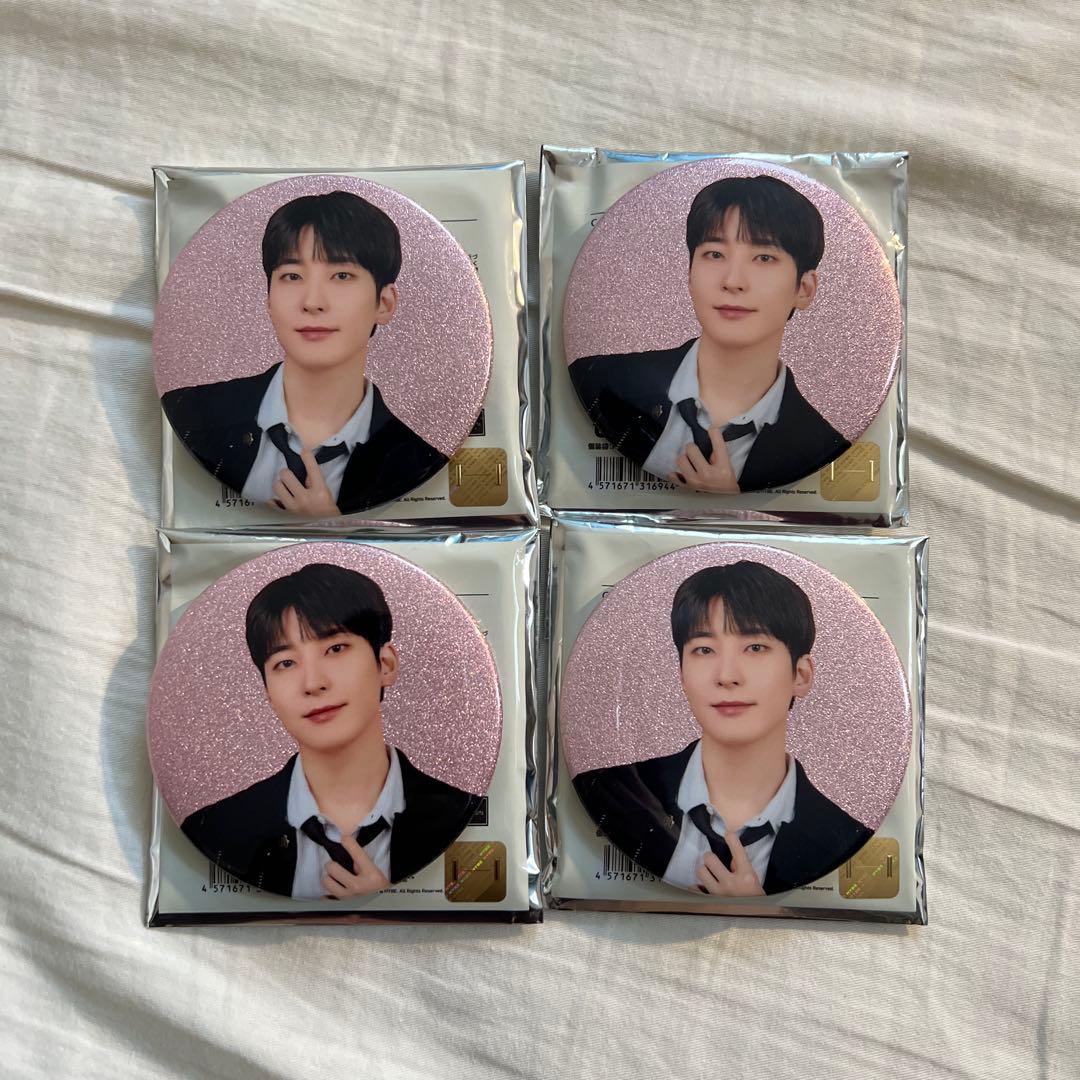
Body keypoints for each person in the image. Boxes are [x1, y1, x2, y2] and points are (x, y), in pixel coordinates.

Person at [182, 563, 479, 900]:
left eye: (335, 649)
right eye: (285, 663)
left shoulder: (462, 815)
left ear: (385, 664)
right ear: (268, 692)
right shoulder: (214, 829)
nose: (313, 683)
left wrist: (392, 908)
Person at [573, 561, 872, 895]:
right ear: (682, 673)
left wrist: (756, 911)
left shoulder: (844, 837)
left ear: (801, 675)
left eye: (755, 647)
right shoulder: (605, 791)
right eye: (704, 650)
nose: (727, 676)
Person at [162, 190, 446, 516]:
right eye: (292, 276)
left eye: (342, 276)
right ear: (269, 298)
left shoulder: (418, 461)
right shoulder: (188, 412)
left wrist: (331, 528)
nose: (312, 302)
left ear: (384, 303)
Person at [569, 175, 850, 493]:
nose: (733, 281)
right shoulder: (595, 379)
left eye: (764, 258)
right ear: (690, 273)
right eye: (715, 254)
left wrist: (732, 505)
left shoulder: (825, 449)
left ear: (804, 288)